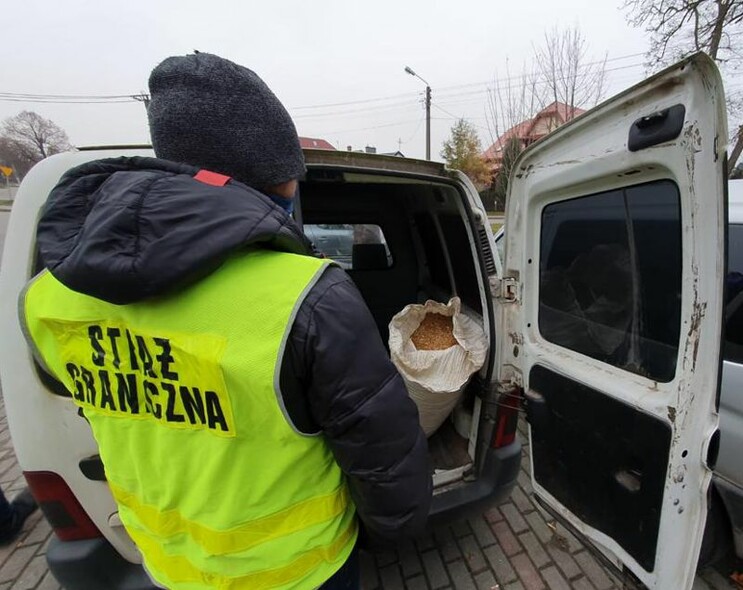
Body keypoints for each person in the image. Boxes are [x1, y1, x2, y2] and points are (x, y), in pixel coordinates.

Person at [21, 53, 431, 589]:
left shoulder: (46, 297)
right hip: (302, 572)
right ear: (272, 178)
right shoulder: (308, 295)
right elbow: (382, 454)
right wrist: (391, 531)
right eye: (291, 175)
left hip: (171, 565)